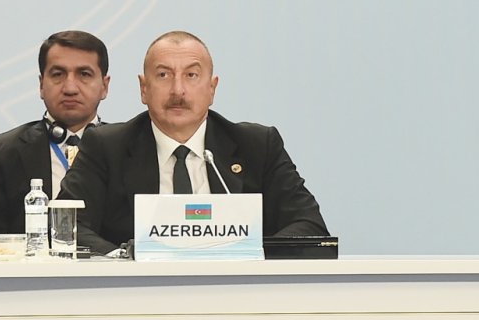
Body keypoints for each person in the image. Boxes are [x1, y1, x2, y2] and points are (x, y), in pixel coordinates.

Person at [58, 31, 328, 255]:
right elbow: (66, 227)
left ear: (212, 88)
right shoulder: (107, 146)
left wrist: (248, 256)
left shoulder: (257, 146)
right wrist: (127, 261)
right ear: (144, 88)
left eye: (191, 75)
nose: (178, 90)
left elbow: (309, 226)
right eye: (163, 75)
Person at [0, 30, 110, 243]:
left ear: (104, 86)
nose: (70, 88)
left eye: (84, 74)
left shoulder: (127, 148)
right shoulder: (4, 151)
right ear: (41, 84)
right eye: (58, 74)